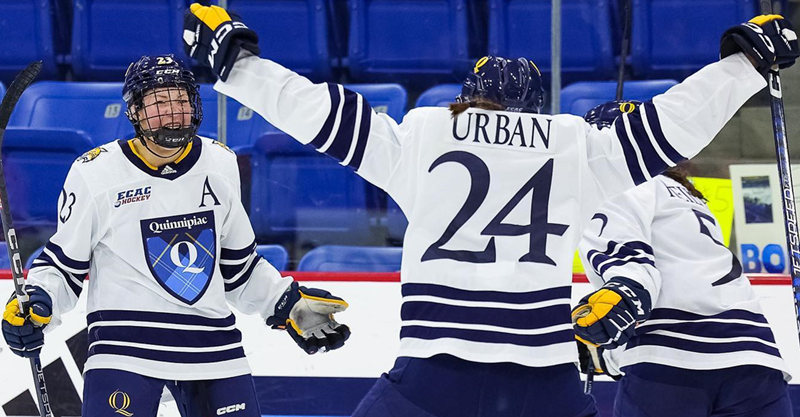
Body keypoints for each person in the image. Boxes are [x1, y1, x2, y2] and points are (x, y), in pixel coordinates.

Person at [182, 5, 798, 416]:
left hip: (436, 376)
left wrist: (234, 66)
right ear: (534, 106)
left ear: (466, 99)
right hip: (545, 383)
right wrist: (746, 64)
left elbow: (316, 111)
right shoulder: (574, 146)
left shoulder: (422, 136)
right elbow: (671, 125)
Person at [1, 54, 351, 417]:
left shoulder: (220, 162)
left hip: (214, 350)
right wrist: (38, 301)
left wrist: (286, 303)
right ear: (134, 111)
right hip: (125, 350)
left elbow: (238, 267)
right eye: (160, 102)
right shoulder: (96, 173)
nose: (175, 111)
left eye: (182, 100)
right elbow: (63, 265)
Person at [572, 100, 793, 417]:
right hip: (757, 359)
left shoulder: (620, 180)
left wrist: (619, 296)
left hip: (672, 362)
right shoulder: (691, 197)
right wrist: (607, 355)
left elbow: (629, 264)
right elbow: (682, 273)